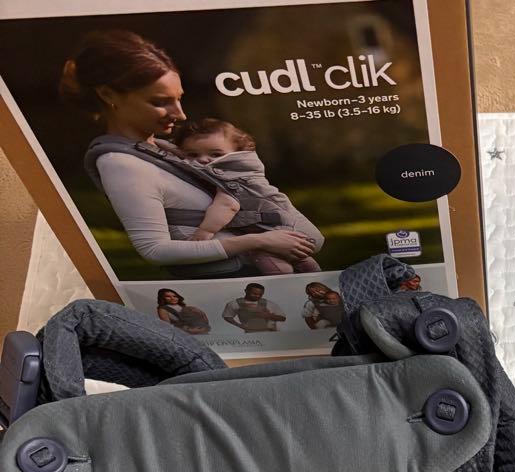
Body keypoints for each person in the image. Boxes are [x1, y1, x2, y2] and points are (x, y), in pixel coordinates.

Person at [59, 30, 321, 276]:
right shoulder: (121, 164)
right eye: (160, 102)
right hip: (234, 285)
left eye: (178, 99)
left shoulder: (164, 151)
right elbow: (155, 250)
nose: (181, 114)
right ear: (108, 94)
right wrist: (259, 241)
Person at [173, 118, 322, 275]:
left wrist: (204, 232)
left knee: (262, 255)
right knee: (301, 261)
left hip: (283, 232)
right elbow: (178, 155)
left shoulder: (232, 178)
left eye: (216, 154)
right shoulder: (245, 169)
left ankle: (281, 280)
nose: (203, 160)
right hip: (293, 228)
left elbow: (227, 206)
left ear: (237, 153)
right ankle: (311, 273)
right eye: (193, 154)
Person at [222, 283, 286, 333]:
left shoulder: (268, 303)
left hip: (271, 333)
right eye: (254, 294)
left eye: (260, 294)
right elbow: (227, 316)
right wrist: (240, 326)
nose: (258, 296)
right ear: (246, 291)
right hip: (251, 333)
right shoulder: (234, 303)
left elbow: (283, 318)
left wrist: (268, 315)